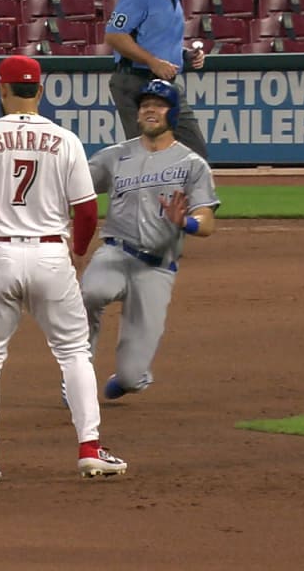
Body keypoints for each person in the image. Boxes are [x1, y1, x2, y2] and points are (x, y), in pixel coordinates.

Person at [0, 55, 128, 484]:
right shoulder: (66, 140)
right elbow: (85, 210)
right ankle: (88, 448)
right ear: (39, 92)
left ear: (4, 92)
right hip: (50, 256)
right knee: (73, 353)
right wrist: (78, 252)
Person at [80, 79, 220, 401]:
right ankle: (76, 372)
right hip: (115, 254)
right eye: (145, 105)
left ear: (173, 114)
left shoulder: (192, 165)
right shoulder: (114, 156)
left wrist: (186, 222)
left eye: (158, 105)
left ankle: (129, 379)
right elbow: (77, 189)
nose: (149, 110)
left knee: (130, 377)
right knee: (90, 293)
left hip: (156, 269)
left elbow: (207, 221)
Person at [104, 0, 208, 159]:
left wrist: (185, 55)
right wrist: (152, 62)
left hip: (166, 85)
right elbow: (114, 36)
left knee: (195, 151)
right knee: (147, 155)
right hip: (136, 81)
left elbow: (157, 42)